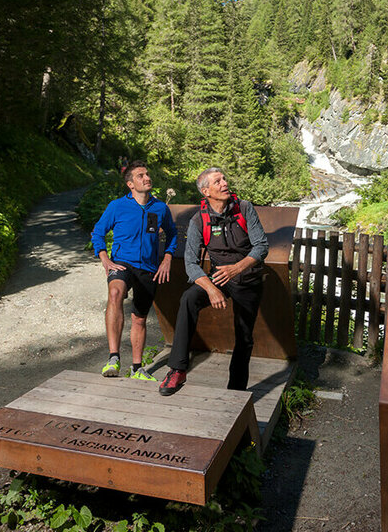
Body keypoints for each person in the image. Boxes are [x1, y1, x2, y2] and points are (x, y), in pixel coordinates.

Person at [158, 167, 268, 396]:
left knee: (244, 336)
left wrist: (237, 268)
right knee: (189, 298)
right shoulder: (199, 220)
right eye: (218, 181)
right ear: (206, 191)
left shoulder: (244, 208)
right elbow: (190, 263)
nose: (225, 183)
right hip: (218, 278)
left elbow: (261, 247)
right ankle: (177, 369)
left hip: (247, 278)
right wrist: (211, 289)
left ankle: (235, 391)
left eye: (224, 179)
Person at [91, 160, 177, 381]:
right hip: (122, 263)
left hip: (148, 268)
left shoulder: (160, 208)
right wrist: (105, 259)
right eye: (141, 176)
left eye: (147, 174)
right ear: (130, 184)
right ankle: (113, 357)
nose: (147, 178)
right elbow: (98, 232)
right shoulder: (117, 206)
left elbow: (172, 234)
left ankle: (137, 368)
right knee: (115, 293)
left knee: (139, 318)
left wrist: (167, 257)